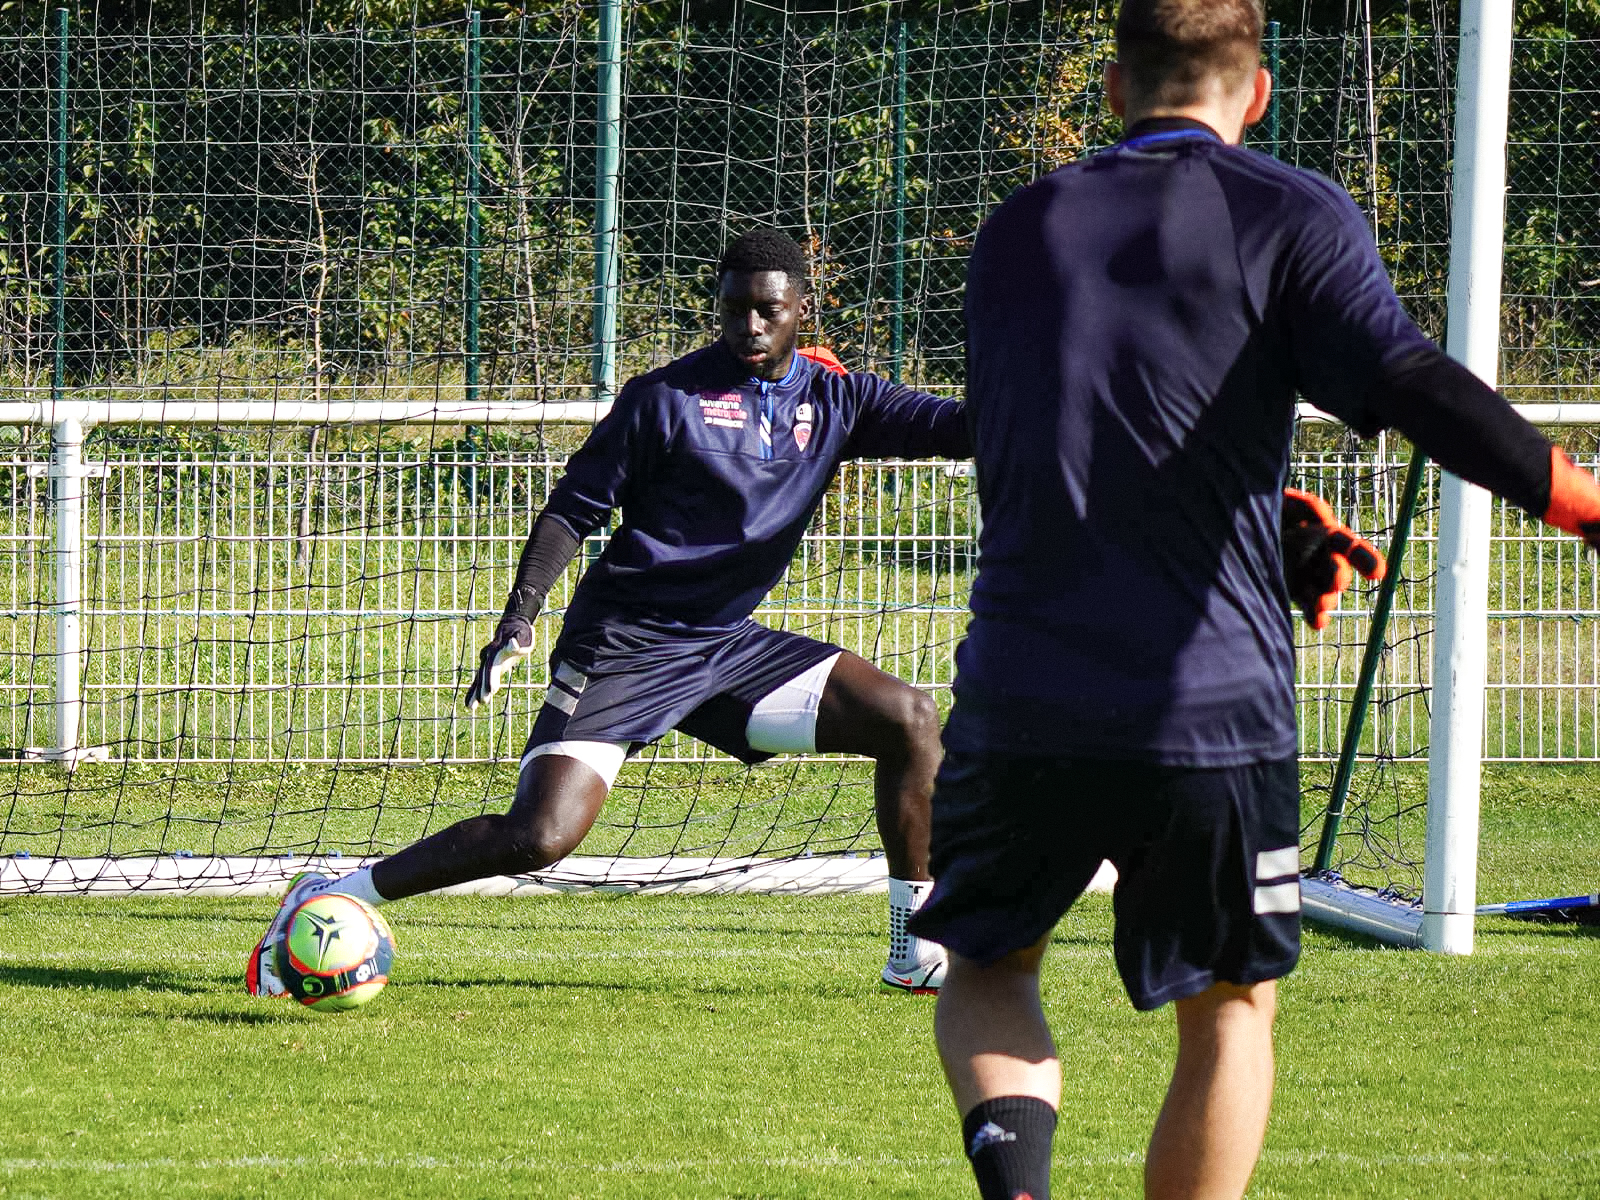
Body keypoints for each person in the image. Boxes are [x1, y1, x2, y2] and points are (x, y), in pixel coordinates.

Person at [909, 2, 1600, 1198]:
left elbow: (1054, 444)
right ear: (1259, 92)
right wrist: (1583, 505)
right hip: (1209, 707)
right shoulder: (1285, 211)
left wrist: (1265, 517)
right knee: (1231, 1009)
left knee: (987, 964)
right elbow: (1408, 381)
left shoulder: (1015, 231)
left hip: (1023, 696)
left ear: (1115, 89)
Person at [246, 228, 964, 996]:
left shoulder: (839, 399)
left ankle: (913, 949)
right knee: (540, 837)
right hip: (624, 645)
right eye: (734, 310)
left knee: (909, 718)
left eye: (768, 311)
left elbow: (957, 426)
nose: (750, 327)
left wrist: (1061, 390)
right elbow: (571, 512)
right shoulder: (665, 399)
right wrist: (518, 617)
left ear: (800, 311)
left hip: (725, 649)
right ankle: (334, 893)